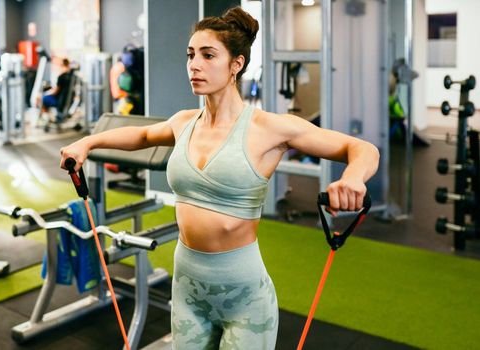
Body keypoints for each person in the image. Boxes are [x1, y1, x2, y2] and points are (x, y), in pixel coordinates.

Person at [60, 7, 379, 349]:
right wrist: (88, 142)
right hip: (187, 289)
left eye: (208, 55)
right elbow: (140, 137)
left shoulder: (268, 128)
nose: (194, 64)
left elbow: (361, 148)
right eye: (191, 54)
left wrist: (354, 179)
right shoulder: (184, 121)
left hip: (244, 300)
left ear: (236, 64)